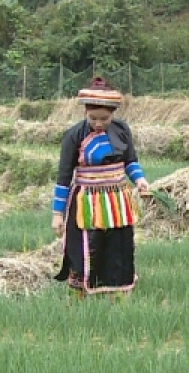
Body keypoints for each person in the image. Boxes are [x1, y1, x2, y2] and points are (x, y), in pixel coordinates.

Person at [52, 78, 151, 298]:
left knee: (118, 245)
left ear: (113, 113)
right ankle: (82, 294)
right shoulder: (74, 135)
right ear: (85, 112)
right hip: (86, 201)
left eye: (104, 119)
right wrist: (57, 214)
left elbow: (130, 162)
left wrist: (140, 180)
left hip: (117, 200)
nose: (98, 123)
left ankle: (118, 292)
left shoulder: (122, 130)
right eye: (93, 118)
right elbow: (64, 177)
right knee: (85, 247)